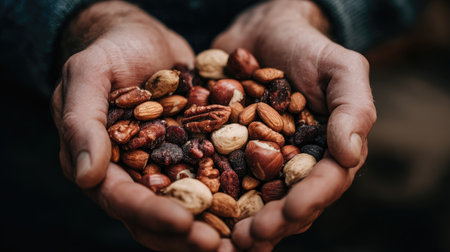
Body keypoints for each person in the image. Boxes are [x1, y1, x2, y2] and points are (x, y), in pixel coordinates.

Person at [0, 0, 424, 251]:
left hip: (290, 221)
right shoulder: (180, 119)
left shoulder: (268, 119)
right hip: (35, 148)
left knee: (286, 224)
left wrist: (317, 11)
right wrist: (80, 22)